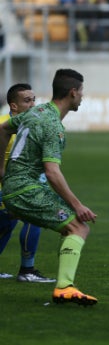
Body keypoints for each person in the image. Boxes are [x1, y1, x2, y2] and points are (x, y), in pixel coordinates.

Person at [0, 69, 98, 306]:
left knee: (68, 228)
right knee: (78, 227)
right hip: (26, 190)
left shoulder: (37, 111)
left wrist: (3, 172)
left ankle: (58, 282)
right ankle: (64, 287)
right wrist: (78, 205)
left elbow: (3, 129)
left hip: (13, 188)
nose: (83, 96)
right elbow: (52, 172)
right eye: (81, 91)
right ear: (72, 92)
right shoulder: (53, 125)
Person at [0, 83, 55, 283]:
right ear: (14, 106)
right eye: (27, 101)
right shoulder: (5, 126)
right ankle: (27, 270)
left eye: (34, 100)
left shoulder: (28, 125)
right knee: (33, 217)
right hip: (8, 187)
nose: (32, 105)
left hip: (13, 186)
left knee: (7, 223)